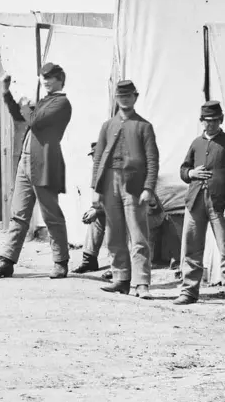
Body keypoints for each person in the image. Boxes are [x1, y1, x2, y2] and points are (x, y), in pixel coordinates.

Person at [0, 63, 73, 279]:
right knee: (19, 214)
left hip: (44, 162)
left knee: (51, 215)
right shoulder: (45, 100)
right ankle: (7, 261)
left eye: (51, 77)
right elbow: (20, 117)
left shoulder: (62, 103)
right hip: (26, 161)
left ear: (61, 79)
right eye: (43, 77)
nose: (45, 80)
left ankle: (61, 261)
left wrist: (26, 106)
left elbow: (33, 121)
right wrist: (6, 93)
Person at [174, 101, 225, 307]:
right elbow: (183, 169)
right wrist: (191, 173)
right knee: (191, 248)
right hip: (195, 201)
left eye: (214, 120)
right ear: (201, 122)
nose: (210, 125)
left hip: (219, 204)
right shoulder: (196, 143)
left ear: (221, 120)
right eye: (206, 121)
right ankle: (189, 291)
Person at [91, 80, 159, 299]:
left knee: (138, 235)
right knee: (114, 234)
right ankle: (120, 279)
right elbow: (98, 158)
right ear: (116, 99)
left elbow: (152, 160)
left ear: (136, 97)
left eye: (129, 96)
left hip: (134, 186)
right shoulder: (107, 126)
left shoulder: (144, 126)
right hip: (110, 182)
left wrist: (148, 188)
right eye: (121, 96)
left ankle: (141, 283)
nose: (125, 100)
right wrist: (96, 188)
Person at [72, 142, 109, 278]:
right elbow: (101, 200)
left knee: (113, 222)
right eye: (93, 156)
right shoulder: (99, 172)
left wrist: (97, 211)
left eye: (97, 156)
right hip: (111, 210)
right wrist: (93, 210)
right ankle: (89, 260)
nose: (94, 159)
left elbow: (119, 203)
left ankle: (118, 266)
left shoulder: (113, 171)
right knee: (97, 220)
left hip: (132, 213)